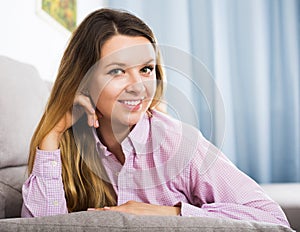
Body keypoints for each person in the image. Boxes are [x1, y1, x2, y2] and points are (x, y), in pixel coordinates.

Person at [21, 8, 289, 227]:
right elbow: (43, 226)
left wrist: (164, 214)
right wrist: (52, 133)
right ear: (84, 80)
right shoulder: (64, 146)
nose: (138, 86)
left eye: (146, 69)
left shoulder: (180, 143)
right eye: (117, 71)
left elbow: (271, 217)